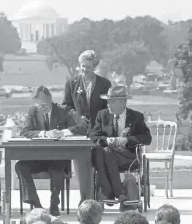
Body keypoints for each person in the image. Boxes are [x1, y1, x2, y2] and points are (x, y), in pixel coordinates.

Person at [16, 86, 87, 216]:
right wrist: (44, 133)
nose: (43, 106)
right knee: (20, 166)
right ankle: (36, 205)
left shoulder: (62, 110)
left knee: (57, 168)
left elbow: (82, 128)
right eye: (39, 103)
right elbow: (25, 131)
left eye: (46, 102)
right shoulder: (32, 112)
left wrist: (63, 132)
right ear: (35, 102)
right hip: (37, 157)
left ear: (51, 99)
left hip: (58, 157)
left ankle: (54, 204)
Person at [90, 85, 152, 211]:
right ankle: (119, 193)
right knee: (101, 150)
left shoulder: (136, 117)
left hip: (128, 156)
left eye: (111, 101)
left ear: (123, 102)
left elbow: (147, 138)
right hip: (107, 154)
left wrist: (127, 140)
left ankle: (108, 191)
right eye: (107, 101)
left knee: (101, 152)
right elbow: (93, 135)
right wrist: (107, 140)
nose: (108, 104)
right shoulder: (102, 115)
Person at [62, 50, 111, 204]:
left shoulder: (104, 83)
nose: (84, 69)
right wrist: (77, 117)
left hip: (99, 130)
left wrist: (99, 122)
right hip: (79, 130)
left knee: (99, 160)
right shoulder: (71, 83)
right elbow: (66, 105)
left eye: (88, 67)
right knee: (81, 163)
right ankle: (85, 200)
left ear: (94, 67)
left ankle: (100, 196)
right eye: (82, 66)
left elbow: (108, 107)